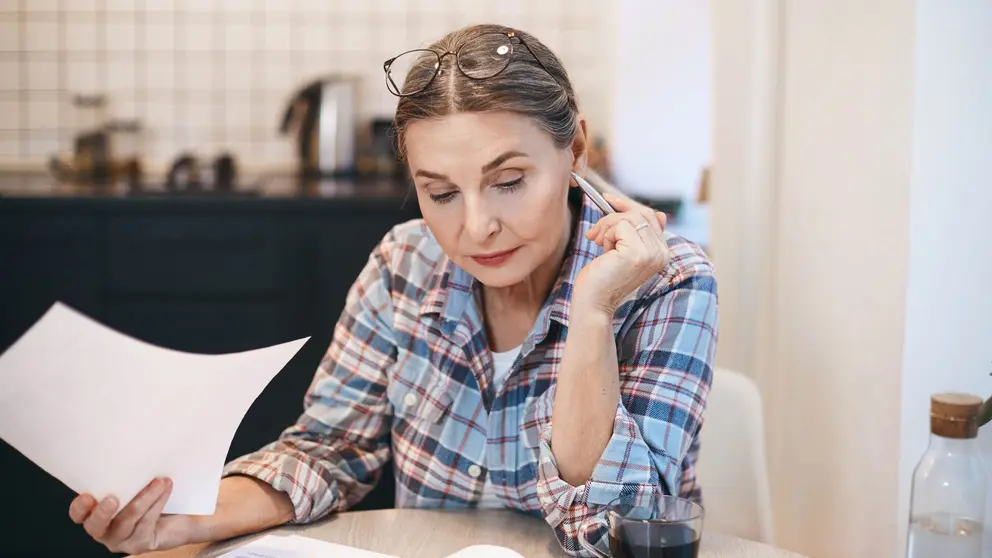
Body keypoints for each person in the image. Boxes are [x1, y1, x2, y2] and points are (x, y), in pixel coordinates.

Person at [68, 24, 718, 557]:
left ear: (574, 148)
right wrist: (187, 519)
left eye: (509, 181)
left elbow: (611, 532)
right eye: (439, 193)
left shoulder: (671, 282)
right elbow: (329, 451)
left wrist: (592, 314)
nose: (475, 227)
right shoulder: (404, 263)